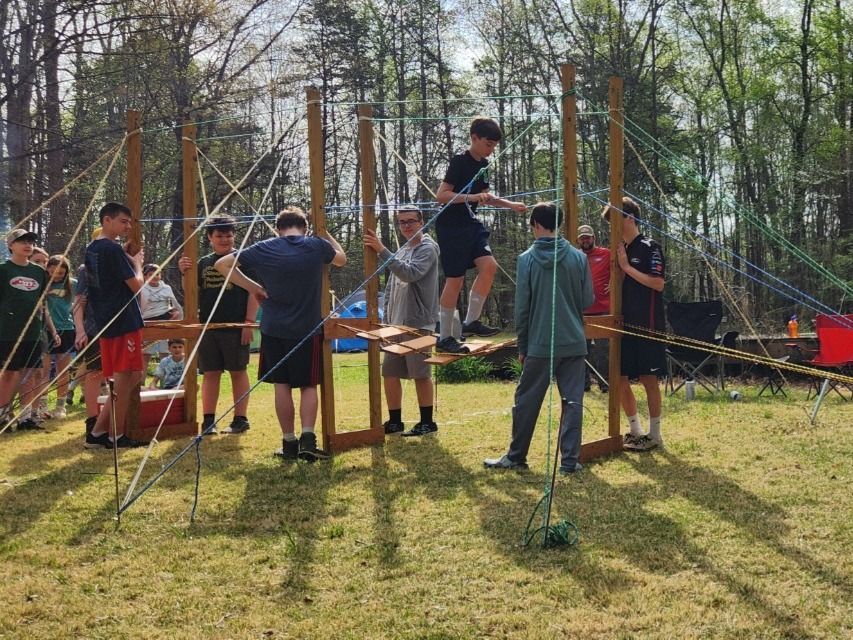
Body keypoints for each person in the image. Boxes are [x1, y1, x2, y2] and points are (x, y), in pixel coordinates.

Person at [215, 207, 345, 461]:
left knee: (281, 385)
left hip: (273, 328)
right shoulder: (316, 245)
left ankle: (288, 443)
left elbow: (222, 264)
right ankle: (308, 439)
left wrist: (254, 287)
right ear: (304, 227)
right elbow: (341, 259)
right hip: (307, 328)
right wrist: (325, 233)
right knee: (308, 384)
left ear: (278, 228)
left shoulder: (264, 247)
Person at [484, 203, 593, 473]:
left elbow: (522, 308)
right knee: (573, 402)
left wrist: (522, 345)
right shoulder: (579, 257)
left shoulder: (527, 259)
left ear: (534, 224)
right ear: (559, 224)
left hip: (540, 344)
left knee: (526, 401)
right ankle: (570, 462)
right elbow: (588, 299)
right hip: (574, 342)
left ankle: (516, 456)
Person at [434, 117, 527, 353]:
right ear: (474, 138)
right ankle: (445, 337)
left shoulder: (483, 165)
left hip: (470, 224)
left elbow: (488, 196)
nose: (491, 149)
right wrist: (472, 198)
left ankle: (470, 322)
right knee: (455, 279)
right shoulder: (459, 162)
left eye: (494, 145)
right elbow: (442, 195)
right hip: (451, 226)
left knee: (489, 267)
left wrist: (511, 205)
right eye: (488, 144)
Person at [364, 206, 440, 437]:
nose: (406, 226)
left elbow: (410, 274)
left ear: (421, 222)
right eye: (401, 222)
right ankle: (395, 421)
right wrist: (386, 321)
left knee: (420, 373)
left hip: (418, 324)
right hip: (395, 324)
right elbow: (391, 288)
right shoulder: (404, 248)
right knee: (390, 372)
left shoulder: (428, 248)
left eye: (411, 221)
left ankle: (427, 422)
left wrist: (381, 250)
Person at [178, 216, 258, 435]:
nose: (225, 240)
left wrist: (249, 323)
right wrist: (185, 272)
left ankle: (240, 419)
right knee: (211, 372)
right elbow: (191, 292)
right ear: (210, 237)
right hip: (209, 327)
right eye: (220, 236)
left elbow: (254, 291)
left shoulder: (244, 261)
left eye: (229, 235)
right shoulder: (203, 262)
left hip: (236, 325)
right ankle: (209, 420)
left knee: (238, 371)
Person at [603, 196, 666, 452]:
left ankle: (655, 434)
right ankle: (635, 430)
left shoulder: (650, 247)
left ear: (629, 218)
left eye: (614, 221)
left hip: (647, 324)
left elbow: (658, 283)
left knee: (648, 377)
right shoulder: (620, 249)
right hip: (622, 325)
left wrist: (627, 268)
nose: (612, 228)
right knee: (618, 377)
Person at [82, 202, 147, 449]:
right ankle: (116, 437)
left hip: (107, 320)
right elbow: (137, 285)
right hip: (122, 321)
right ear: (106, 220)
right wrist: (138, 264)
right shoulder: (111, 249)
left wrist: (127, 258)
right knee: (125, 377)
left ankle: (98, 432)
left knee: (131, 376)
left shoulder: (93, 249)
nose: (127, 226)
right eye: (123, 221)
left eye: (129, 222)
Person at [0, 230, 58, 431]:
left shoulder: (39, 272)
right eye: (22, 241)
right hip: (8, 332)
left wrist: (51, 330)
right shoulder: (3, 270)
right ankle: (3, 415)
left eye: (31, 241)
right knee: (9, 373)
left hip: (34, 332)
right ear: (11, 246)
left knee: (30, 374)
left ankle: (26, 418)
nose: (27, 244)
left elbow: (43, 304)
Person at [43, 255, 77, 419]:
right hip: (46, 330)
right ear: (47, 268)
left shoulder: (73, 284)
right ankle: (41, 406)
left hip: (67, 330)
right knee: (44, 369)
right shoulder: (42, 283)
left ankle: (60, 407)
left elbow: (80, 303)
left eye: (61, 273)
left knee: (63, 370)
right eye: (53, 271)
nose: (56, 275)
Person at [578, 224, 611, 393]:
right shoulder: (575, 256)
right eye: (582, 237)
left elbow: (620, 270)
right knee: (581, 350)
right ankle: (584, 385)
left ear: (593, 238)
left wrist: (615, 281)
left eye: (588, 237)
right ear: (578, 240)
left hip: (603, 309)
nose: (585, 240)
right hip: (580, 311)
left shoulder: (606, 254)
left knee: (603, 350)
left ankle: (605, 384)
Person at [140, 263, 182, 383]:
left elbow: (174, 304)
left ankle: (165, 383)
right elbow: (139, 307)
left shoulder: (166, 288)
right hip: (147, 322)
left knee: (165, 353)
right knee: (145, 355)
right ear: (145, 276)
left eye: (157, 273)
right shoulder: (141, 289)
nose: (154, 276)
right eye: (150, 274)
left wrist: (176, 314)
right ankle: (140, 384)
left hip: (165, 322)